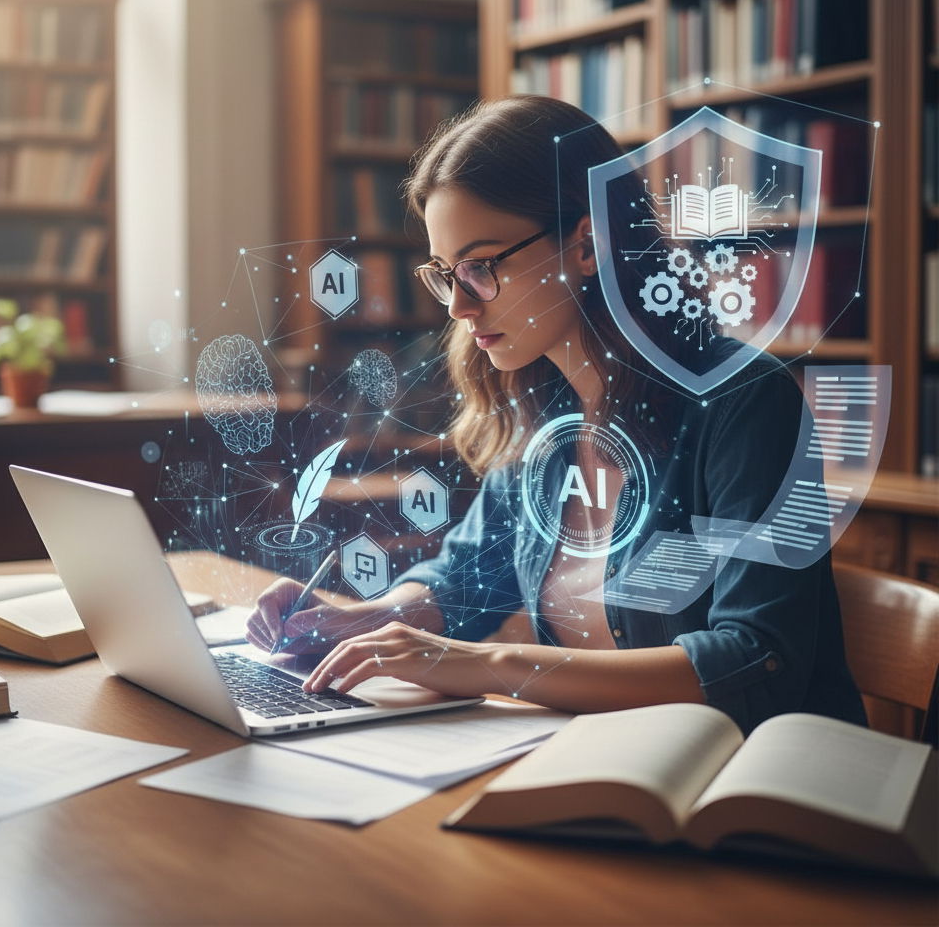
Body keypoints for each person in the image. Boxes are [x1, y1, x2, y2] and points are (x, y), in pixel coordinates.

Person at [246, 96, 866, 735]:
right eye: (444, 273)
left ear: (587, 244)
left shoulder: (744, 401)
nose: (458, 306)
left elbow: (755, 660)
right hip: (597, 752)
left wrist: (490, 664)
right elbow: (461, 577)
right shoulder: (542, 408)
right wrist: (363, 619)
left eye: (481, 268)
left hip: (745, 780)